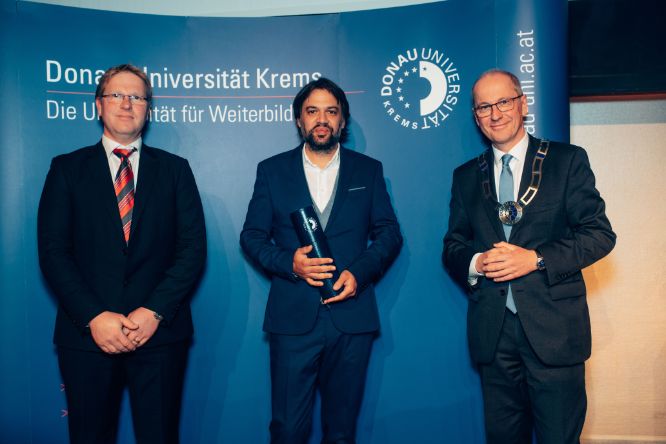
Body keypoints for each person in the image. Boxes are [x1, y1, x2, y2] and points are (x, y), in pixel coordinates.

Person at [442, 69, 616, 444]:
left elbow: (599, 235)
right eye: (484, 106)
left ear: (522, 104)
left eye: (503, 101)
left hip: (554, 333)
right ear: (476, 116)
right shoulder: (465, 177)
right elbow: (453, 246)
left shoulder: (566, 161)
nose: (495, 113)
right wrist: (476, 263)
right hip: (494, 335)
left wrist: (535, 258)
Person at [38, 64, 206, 444]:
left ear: (148, 109)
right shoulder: (66, 169)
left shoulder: (176, 171)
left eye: (137, 97)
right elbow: (53, 252)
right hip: (88, 337)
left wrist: (153, 312)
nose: (127, 104)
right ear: (99, 105)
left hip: (159, 335)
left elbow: (192, 249)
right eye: (117, 95)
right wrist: (94, 317)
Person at [240, 77, 402, 444]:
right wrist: (288, 264)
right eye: (312, 111)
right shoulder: (272, 170)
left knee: (341, 432)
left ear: (343, 120)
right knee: (286, 429)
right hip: (293, 319)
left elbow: (389, 232)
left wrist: (358, 274)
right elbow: (251, 236)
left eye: (331, 111)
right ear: (299, 120)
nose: (322, 119)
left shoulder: (368, 170)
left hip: (351, 317)